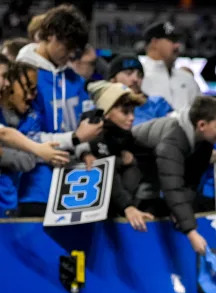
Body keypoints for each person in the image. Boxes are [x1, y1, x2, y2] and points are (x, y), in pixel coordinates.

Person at [15, 4, 103, 217]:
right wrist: (74, 138)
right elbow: (24, 137)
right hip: (32, 186)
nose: (72, 53)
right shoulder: (22, 76)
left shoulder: (74, 80)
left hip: (72, 186)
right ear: (51, 35)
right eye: (68, 45)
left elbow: (81, 126)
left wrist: (84, 150)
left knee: (75, 250)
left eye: (77, 48)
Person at [132, 96, 216, 254]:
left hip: (153, 172)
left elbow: (190, 182)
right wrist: (191, 232)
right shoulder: (173, 140)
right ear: (202, 125)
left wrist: (181, 215)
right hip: (133, 167)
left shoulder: (205, 143)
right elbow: (173, 187)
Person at [0, 59, 69, 216]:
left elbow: (27, 160)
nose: (6, 84)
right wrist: (37, 149)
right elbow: (4, 133)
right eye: (4, 77)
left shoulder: (30, 117)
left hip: (8, 200)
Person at [85, 80, 154, 232]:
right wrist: (127, 207)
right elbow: (107, 173)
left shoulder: (124, 136)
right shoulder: (95, 135)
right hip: (90, 221)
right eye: (125, 112)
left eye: (132, 112)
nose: (132, 118)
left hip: (112, 214)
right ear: (107, 113)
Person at [139, 21, 201, 111]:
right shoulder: (138, 78)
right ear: (154, 42)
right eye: (172, 40)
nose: (177, 45)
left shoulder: (187, 79)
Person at [107, 55, 173, 126]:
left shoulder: (157, 104)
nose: (135, 79)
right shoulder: (102, 105)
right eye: (128, 73)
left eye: (140, 75)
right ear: (112, 80)